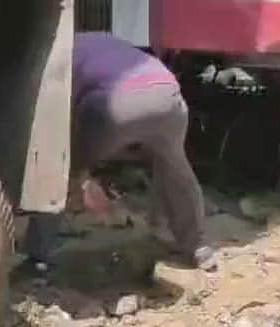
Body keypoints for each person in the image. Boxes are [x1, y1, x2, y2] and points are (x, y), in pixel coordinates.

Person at [24, 32, 216, 270]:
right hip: (168, 97)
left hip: (117, 103)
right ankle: (198, 248)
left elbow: (62, 117)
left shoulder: (59, 56)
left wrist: (81, 172)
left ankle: (37, 258)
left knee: (58, 173)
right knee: (176, 170)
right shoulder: (103, 41)